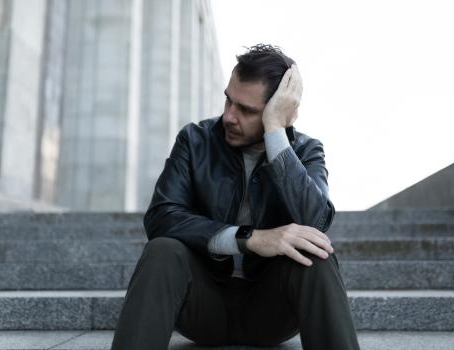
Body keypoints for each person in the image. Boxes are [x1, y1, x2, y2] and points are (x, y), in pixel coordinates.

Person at [111, 44, 360, 350]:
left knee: (314, 252)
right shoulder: (195, 140)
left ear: (276, 110)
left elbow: (316, 220)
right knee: (162, 250)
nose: (229, 116)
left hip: (270, 311)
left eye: (246, 110)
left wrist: (275, 134)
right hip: (202, 304)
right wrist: (249, 238)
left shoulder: (306, 151)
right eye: (228, 100)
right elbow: (162, 216)